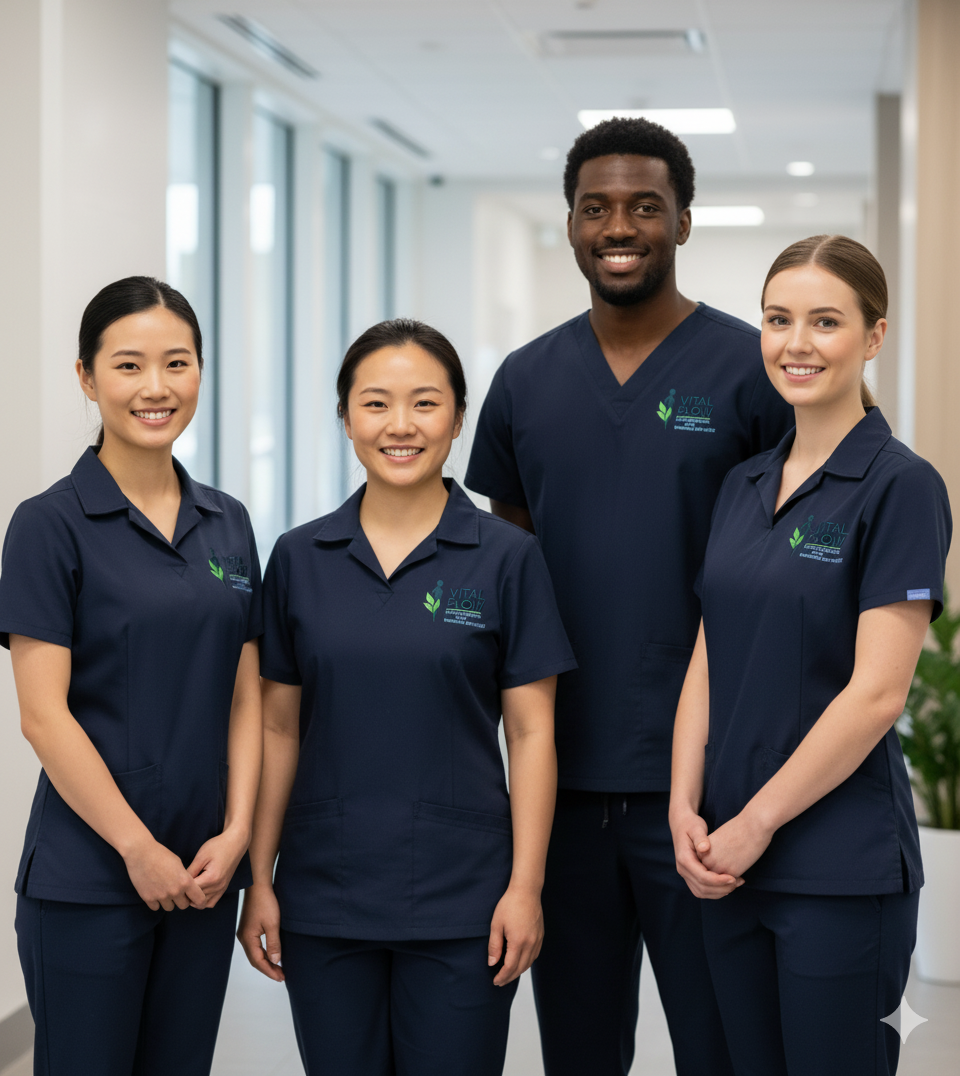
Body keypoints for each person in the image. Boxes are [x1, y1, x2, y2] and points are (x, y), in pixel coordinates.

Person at [464, 116, 793, 1075]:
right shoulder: (525, 382)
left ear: (683, 222)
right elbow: (506, 575)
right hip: (558, 788)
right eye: (595, 207)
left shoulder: (750, 372)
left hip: (704, 783)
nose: (620, 225)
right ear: (570, 225)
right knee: (576, 1047)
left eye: (645, 206)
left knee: (720, 1044)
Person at [237, 319, 576, 1076]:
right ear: (346, 417)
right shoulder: (299, 557)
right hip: (325, 896)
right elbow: (277, 727)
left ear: (458, 417)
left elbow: (530, 734)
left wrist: (526, 887)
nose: (400, 426)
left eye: (424, 404)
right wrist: (259, 879)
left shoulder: (508, 559)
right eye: (376, 403)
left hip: (465, 899)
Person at [670, 235, 951, 1076]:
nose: (796, 343)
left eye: (825, 322)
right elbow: (707, 655)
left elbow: (876, 695)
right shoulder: (744, 484)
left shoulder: (900, 487)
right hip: (725, 861)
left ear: (872, 336)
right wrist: (685, 806)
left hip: (838, 868)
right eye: (777, 319)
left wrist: (755, 824)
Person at [0, 276, 263, 1076]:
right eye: (127, 365)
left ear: (200, 371)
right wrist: (136, 848)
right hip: (91, 877)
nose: (156, 387)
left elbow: (246, 691)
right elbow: (43, 716)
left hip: (205, 872)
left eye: (176, 363)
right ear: (86, 377)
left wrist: (241, 832)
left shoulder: (228, 521)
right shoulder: (49, 526)